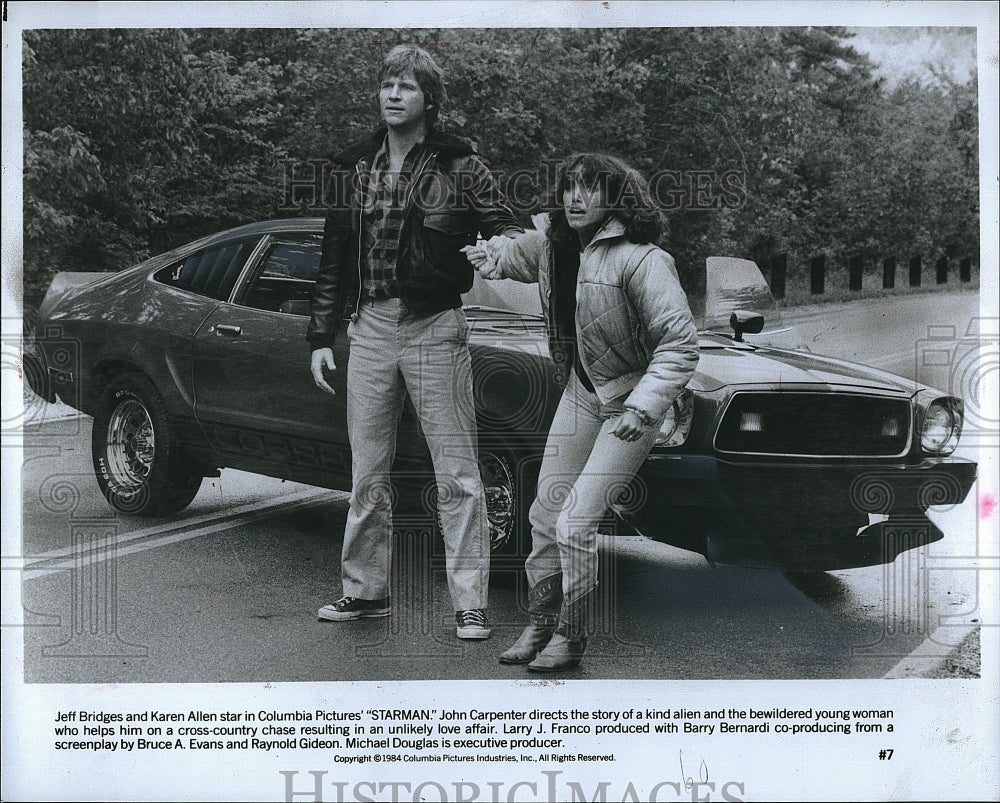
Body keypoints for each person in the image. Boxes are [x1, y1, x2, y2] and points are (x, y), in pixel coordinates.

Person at [307, 44, 523, 639]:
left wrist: (497, 250)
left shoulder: (460, 165)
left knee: (456, 472)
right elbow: (332, 260)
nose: (393, 95)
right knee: (367, 471)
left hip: (433, 327)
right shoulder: (353, 166)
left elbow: (507, 226)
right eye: (386, 85)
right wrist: (320, 334)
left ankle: (470, 602)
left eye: (406, 86)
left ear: (429, 99)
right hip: (369, 329)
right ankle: (364, 592)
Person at [463, 153, 698, 669]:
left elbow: (680, 344)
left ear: (615, 198)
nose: (575, 198)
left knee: (574, 521)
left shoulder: (642, 259)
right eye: (569, 187)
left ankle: (571, 637)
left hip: (630, 402)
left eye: (589, 189)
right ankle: (541, 623)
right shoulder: (554, 243)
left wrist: (645, 404)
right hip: (582, 392)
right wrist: (488, 255)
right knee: (544, 512)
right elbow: (514, 253)